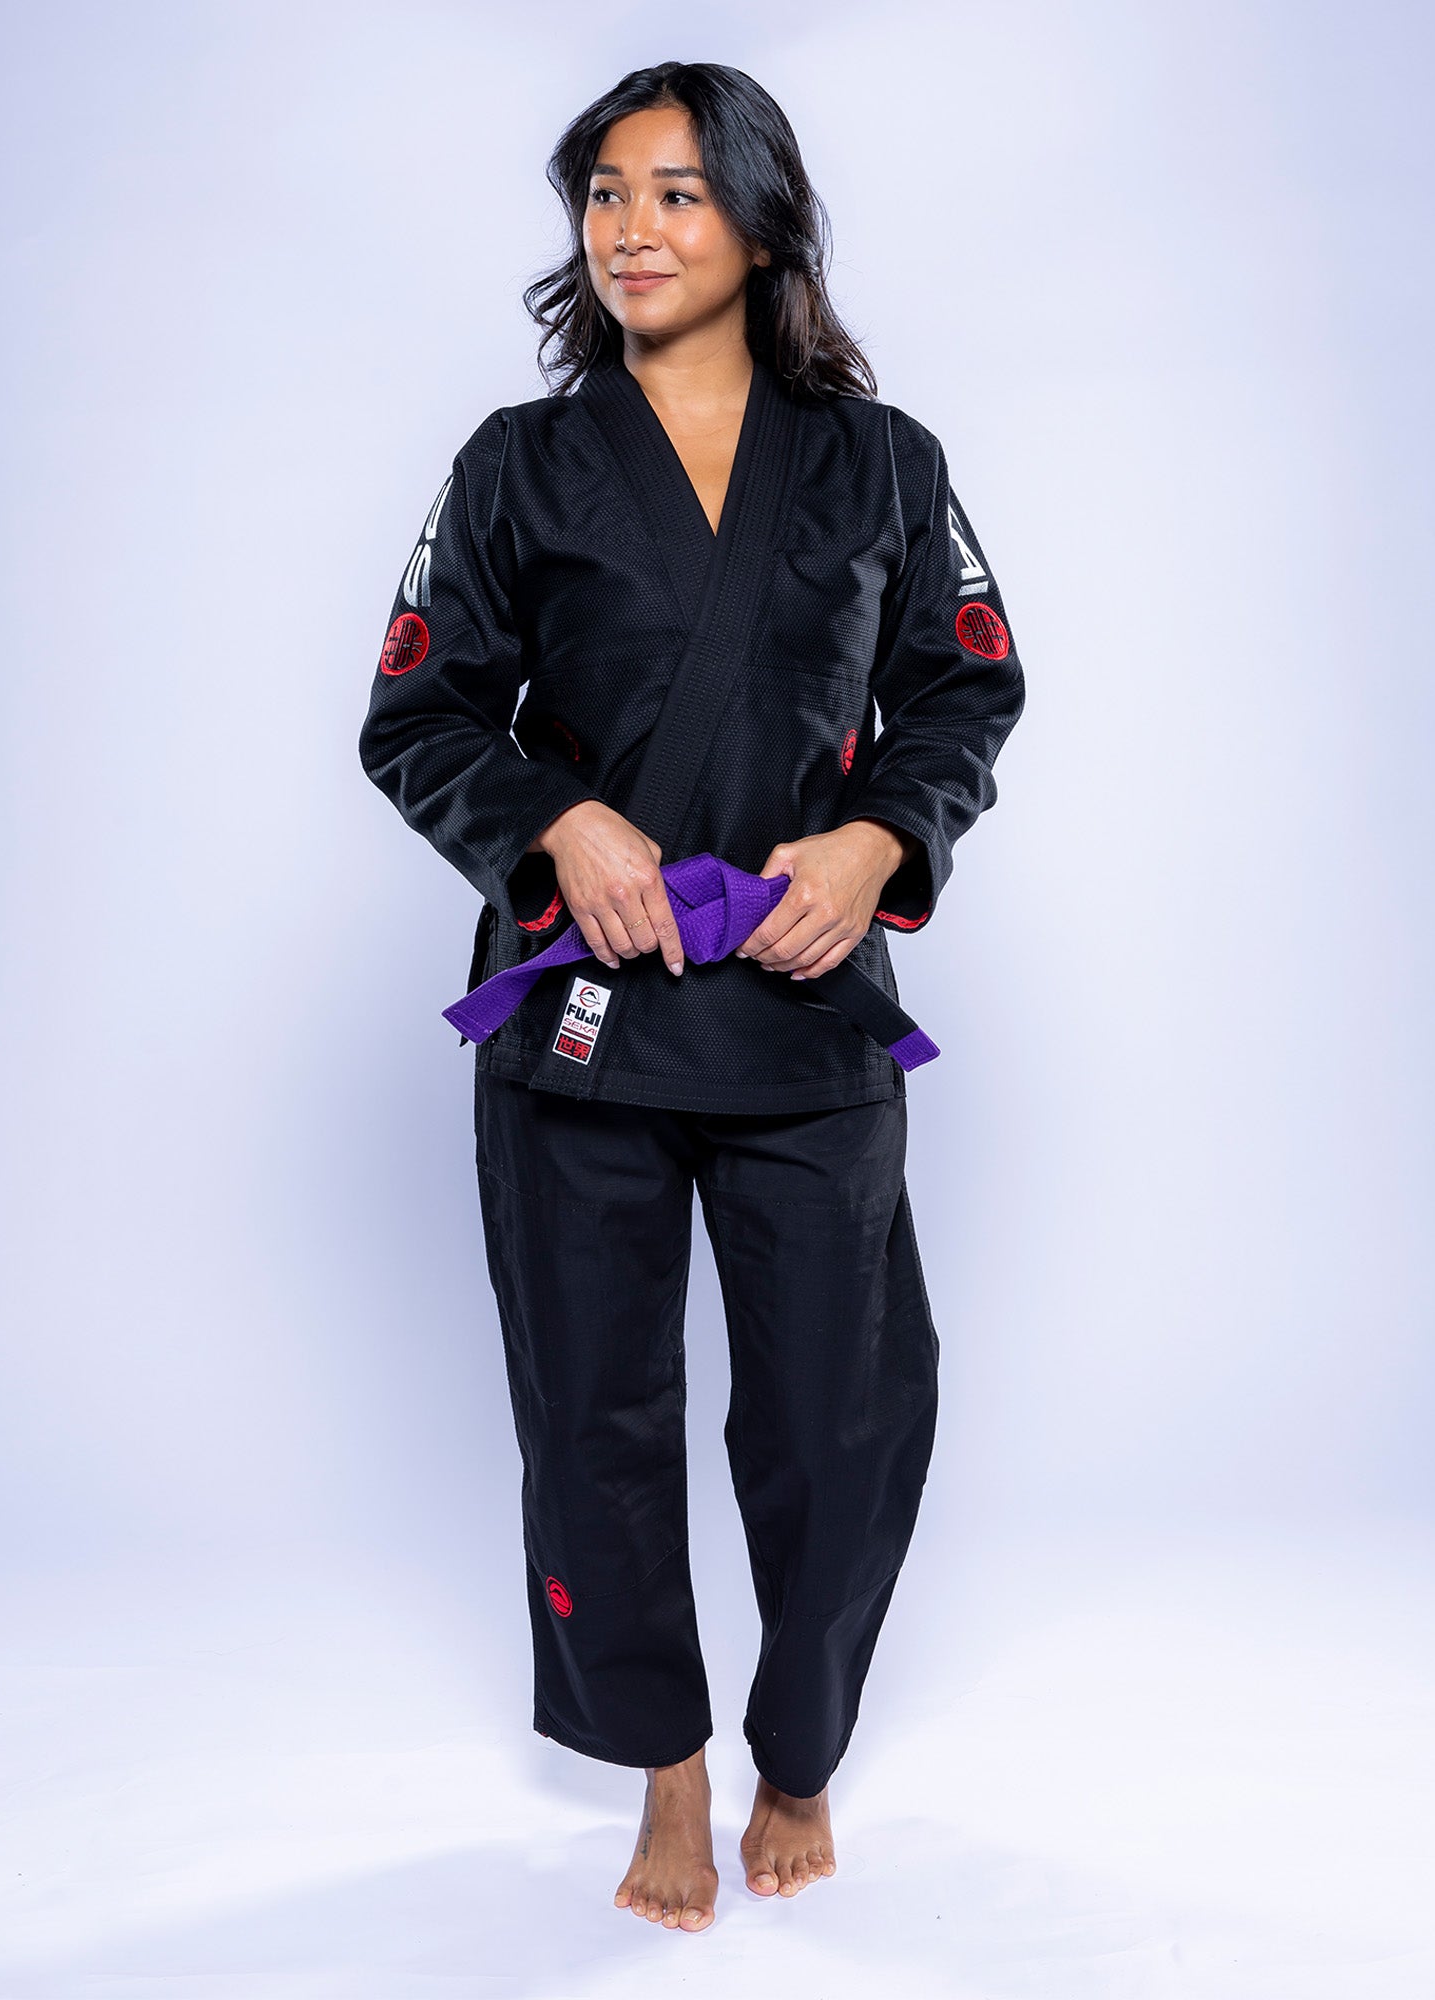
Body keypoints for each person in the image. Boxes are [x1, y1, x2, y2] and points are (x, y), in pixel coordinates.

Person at [358, 60, 1025, 1934]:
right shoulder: (519, 463)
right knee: (596, 1408)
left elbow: (968, 692)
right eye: (601, 195)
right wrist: (551, 818)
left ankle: (798, 1746)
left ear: (760, 217)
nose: (630, 230)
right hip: (584, 1014)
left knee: (844, 1409)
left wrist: (880, 841)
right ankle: (665, 1769)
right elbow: (413, 711)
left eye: (672, 193)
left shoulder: (885, 465)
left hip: (806, 1003)